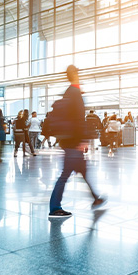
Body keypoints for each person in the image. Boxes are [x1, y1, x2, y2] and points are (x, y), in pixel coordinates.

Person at [49, 65, 107, 218]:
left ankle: (96, 198)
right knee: (66, 174)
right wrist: (82, 140)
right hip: (74, 142)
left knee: (83, 171)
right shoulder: (75, 93)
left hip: (68, 140)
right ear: (76, 75)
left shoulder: (68, 93)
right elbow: (79, 119)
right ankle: (54, 207)